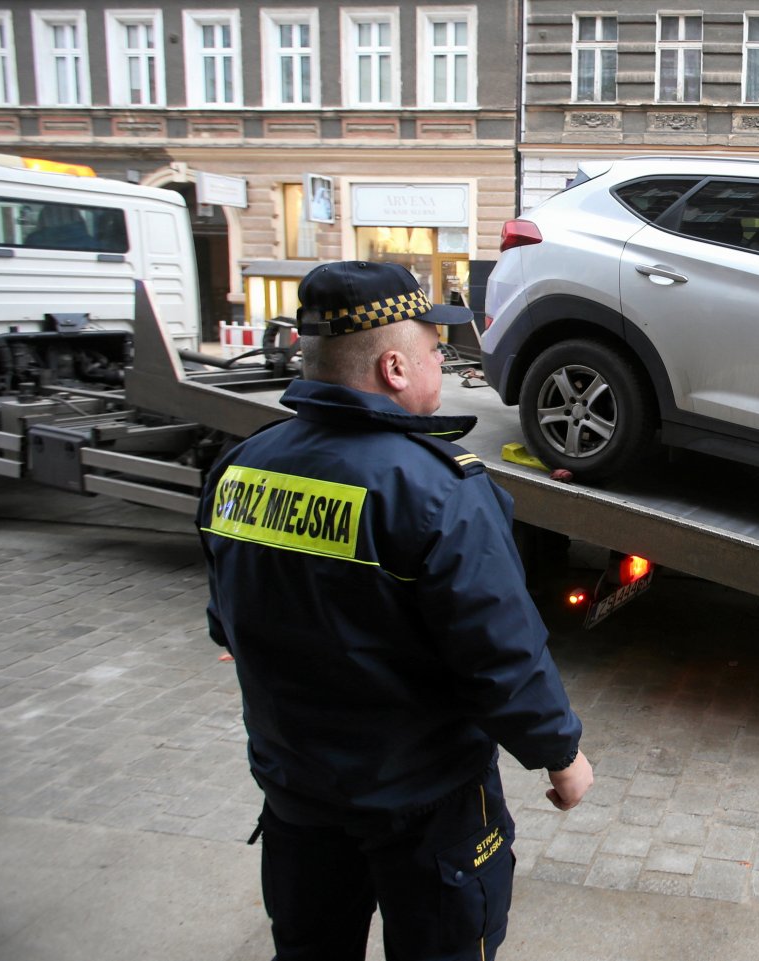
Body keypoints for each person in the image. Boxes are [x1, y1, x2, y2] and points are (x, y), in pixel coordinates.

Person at [196, 260, 592, 961]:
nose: (444, 363)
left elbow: (226, 617)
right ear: (395, 369)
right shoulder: (438, 491)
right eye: (436, 352)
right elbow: (499, 651)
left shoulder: (241, 466)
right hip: (425, 806)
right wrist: (559, 754)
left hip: (297, 795)